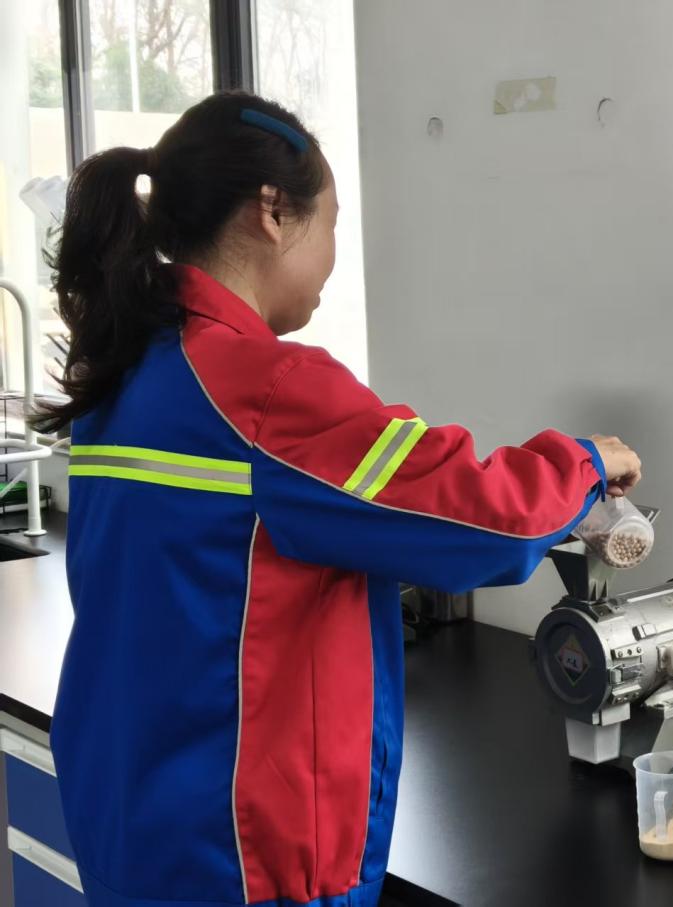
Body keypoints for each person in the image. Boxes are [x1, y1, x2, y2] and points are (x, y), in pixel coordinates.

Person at [35, 91, 641, 907]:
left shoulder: (126, 365)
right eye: (331, 224)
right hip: (242, 857)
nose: (331, 259)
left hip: (130, 826)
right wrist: (586, 462)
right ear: (273, 212)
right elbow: (485, 517)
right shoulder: (266, 389)